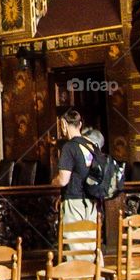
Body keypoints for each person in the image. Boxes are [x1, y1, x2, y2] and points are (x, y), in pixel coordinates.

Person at [52, 109, 99, 260]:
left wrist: (54, 182)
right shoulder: (92, 145)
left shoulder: (68, 147)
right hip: (92, 202)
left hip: (73, 202)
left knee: (75, 246)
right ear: (80, 124)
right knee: (90, 243)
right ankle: (96, 276)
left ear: (64, 124)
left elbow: (63, 179)